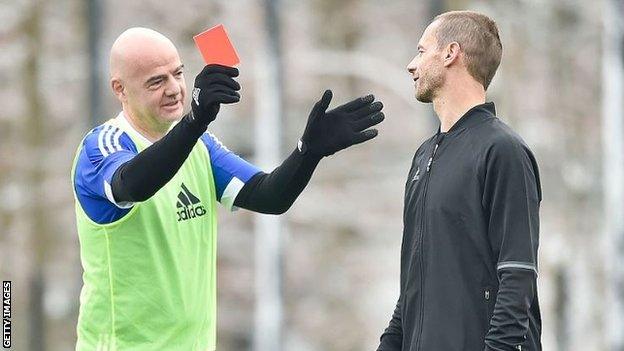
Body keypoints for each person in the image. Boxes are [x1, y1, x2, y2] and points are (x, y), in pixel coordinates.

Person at [71, 27, 384, 350]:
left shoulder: (199, 146)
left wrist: (308, 151)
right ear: (120, 89)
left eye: (177, 74)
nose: (175, 89)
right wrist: (194, 123)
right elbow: (133, 185)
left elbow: (269, 195)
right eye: (156, 81)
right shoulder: (102, 146)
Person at [377, 11, 542, 351]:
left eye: (422, 51)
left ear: (451, 53)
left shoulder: (503, 150)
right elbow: (413, 284)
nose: (411, 64)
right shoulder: (423, 157)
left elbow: (517, 275)